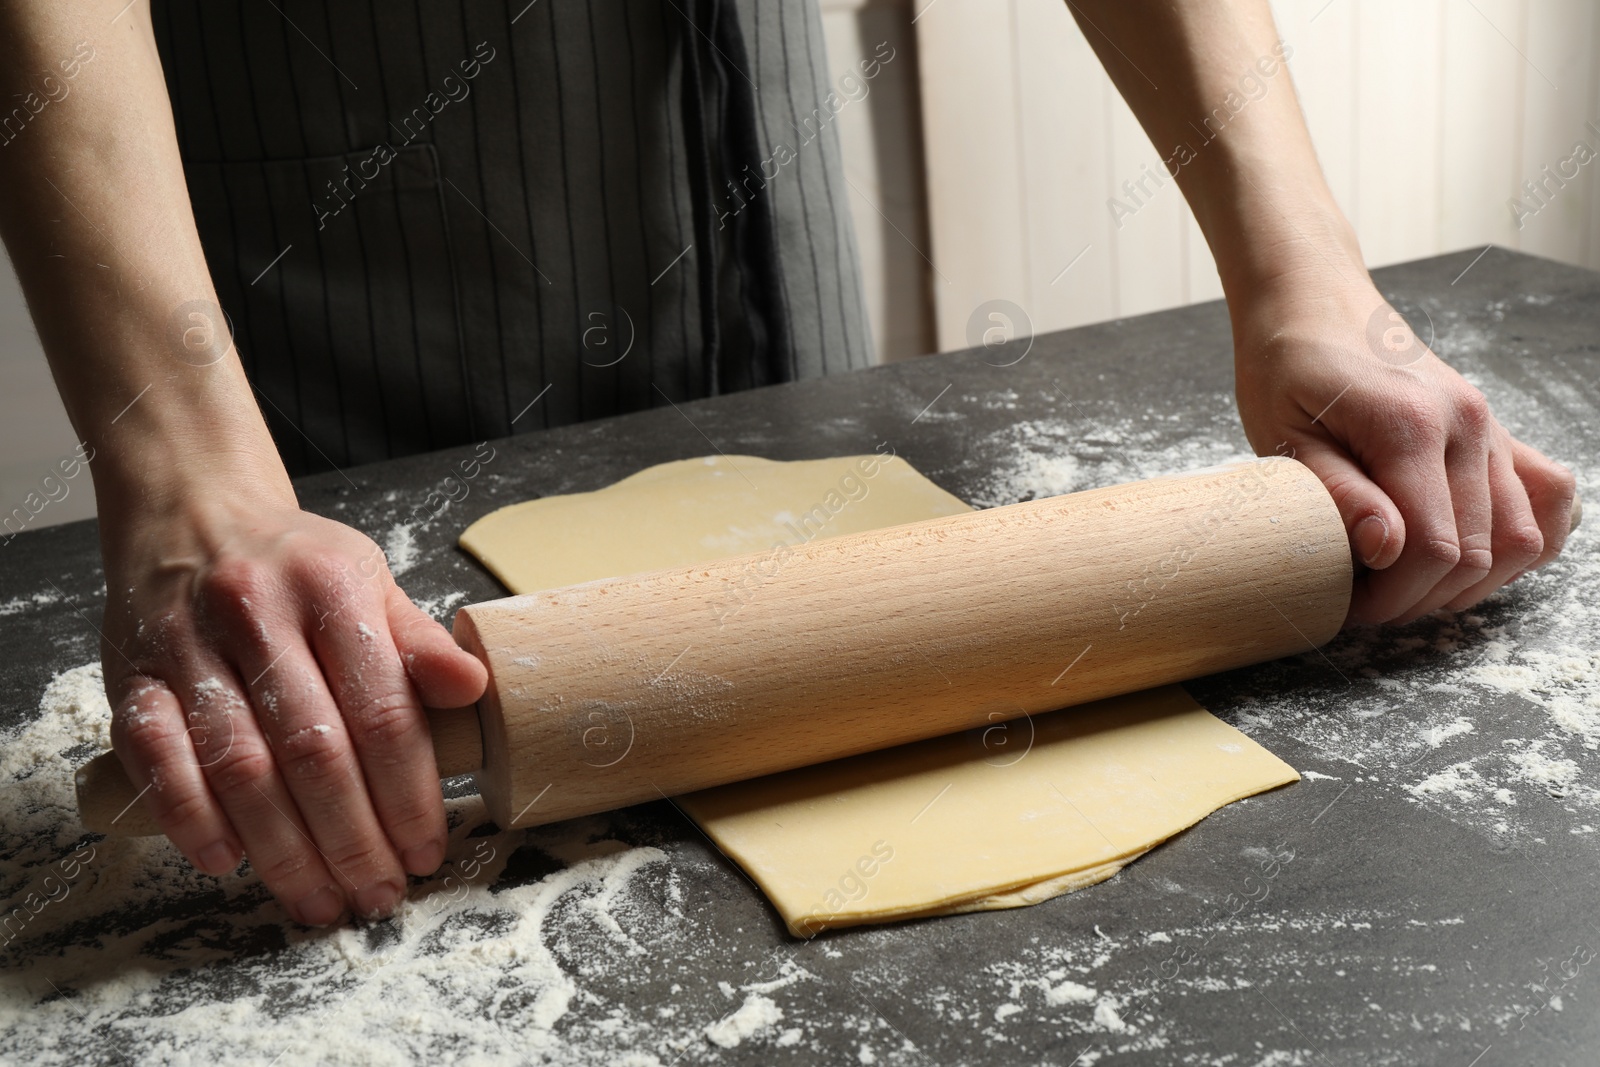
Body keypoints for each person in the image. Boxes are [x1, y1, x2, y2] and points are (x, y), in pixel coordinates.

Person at [0, 0, 1574, 929]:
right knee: (355, 694)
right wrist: (194, 468)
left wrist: (1306, 273)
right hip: (357, 206)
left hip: (738, 141)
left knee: (785, 516)